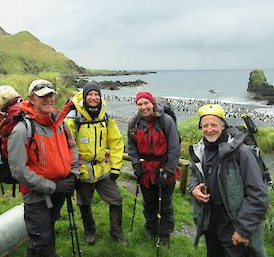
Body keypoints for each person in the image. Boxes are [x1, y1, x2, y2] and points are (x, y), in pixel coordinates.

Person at [8, 79, 78, 257]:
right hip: (37, 196)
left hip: (60, 189)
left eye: (51, 95)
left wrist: (73, 175)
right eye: (42, 96)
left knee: (49, 228)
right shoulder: (22, 130)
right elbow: (18, 171)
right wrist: (54, 186)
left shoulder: (60, 123)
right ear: (31, 99)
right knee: (40, 240)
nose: (49, 99)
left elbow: (73, 148)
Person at [188, 104, 269, 257]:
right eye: (205, 125)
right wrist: (193, 188)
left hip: (234, 223)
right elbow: (194, 173)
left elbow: (258, 195)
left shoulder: (241, 152)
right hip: (211, 222)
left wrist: (243, 230)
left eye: (214, 125)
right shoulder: (201, 151)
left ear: (223, 125)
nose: (209, 129)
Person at [66, 81, 127, 246]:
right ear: (84, 97)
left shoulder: (106, 117)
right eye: (90, 95)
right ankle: (90, 231)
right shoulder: (73, 119)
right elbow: (66, 146)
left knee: (116, 200)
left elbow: (116, 142)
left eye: (96, 94)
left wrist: (115, 167)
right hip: (82, 170)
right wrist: (71, 171)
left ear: (100, 97)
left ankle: (117, 233)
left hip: (102, 169)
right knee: (84, 203)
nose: (93, 98)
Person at [127, 91, 180, 246]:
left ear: (152, 103)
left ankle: (164, 235)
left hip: (164, 169)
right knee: (149, 202)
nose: (144, 107)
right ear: (137, 105)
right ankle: (151, 229)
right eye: (140, 104)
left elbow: (174, 147)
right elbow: (131, 146)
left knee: (165, 204)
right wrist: (136, 164)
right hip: (145, 171)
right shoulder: (133, 123)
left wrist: (169, 171)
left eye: (146, 103)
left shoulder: (166, 121)